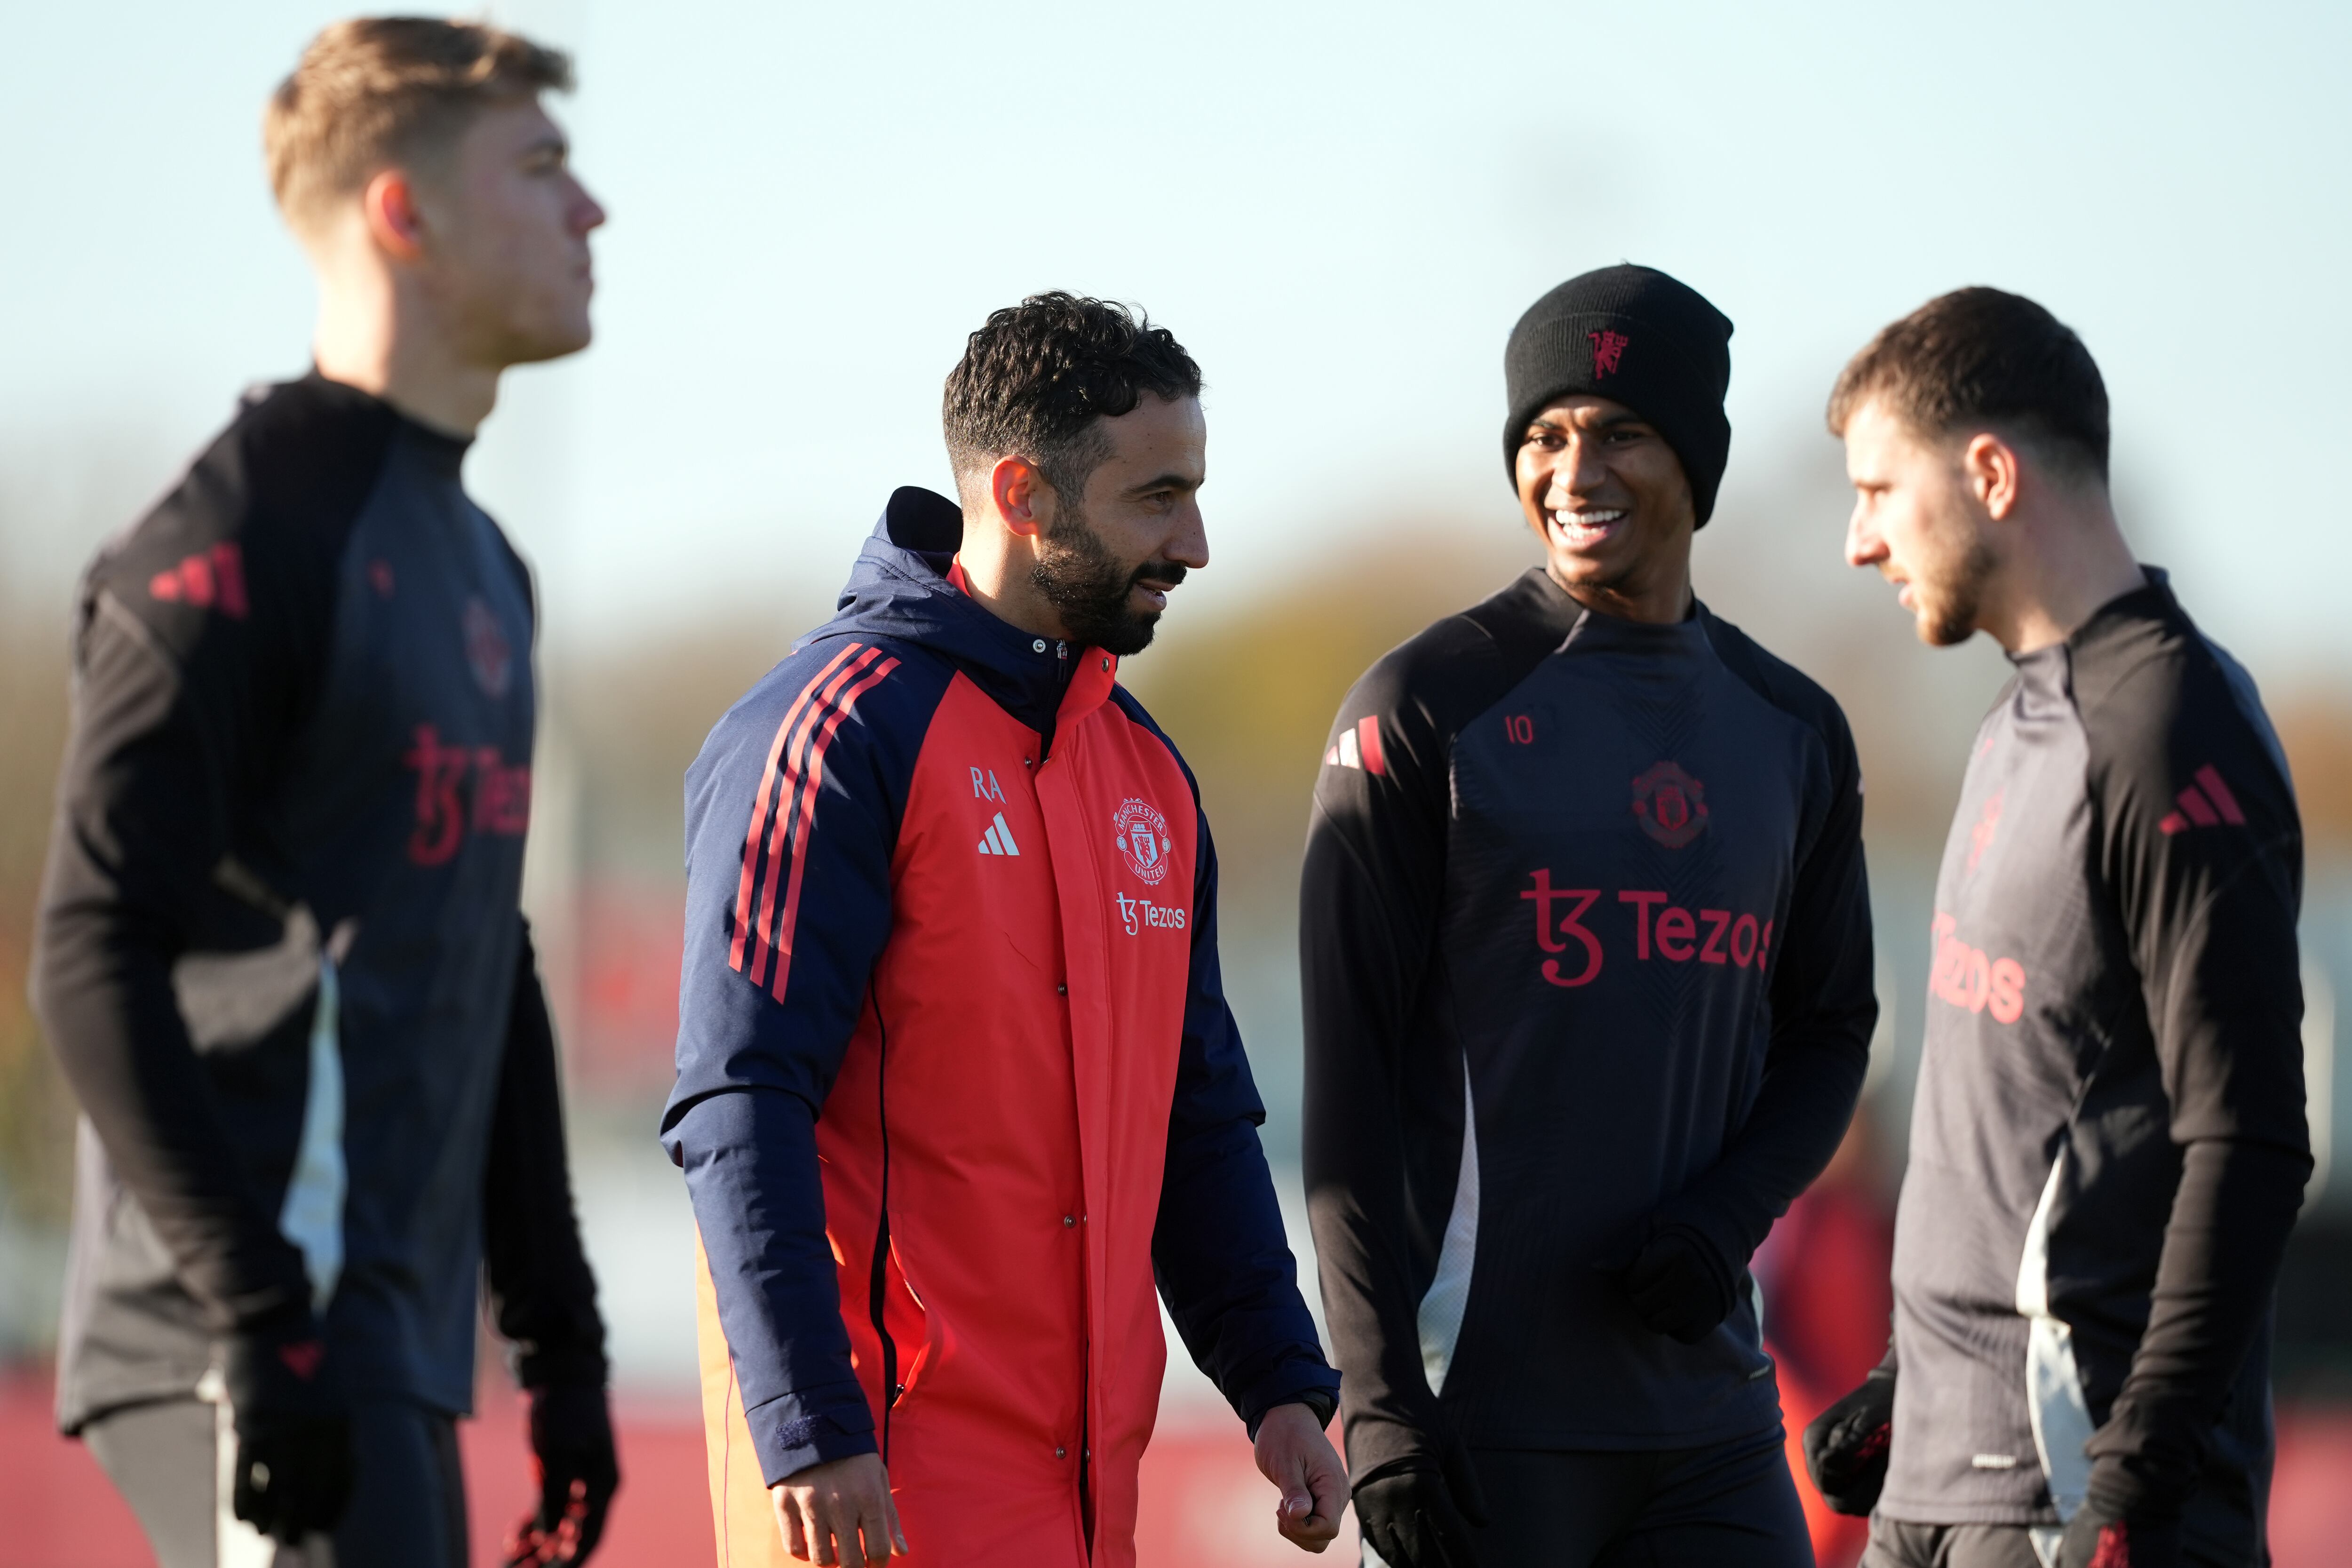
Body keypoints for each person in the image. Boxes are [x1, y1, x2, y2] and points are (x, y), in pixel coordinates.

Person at [32, 19, 619, 1567]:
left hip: (388, 1355)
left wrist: (557, 1342)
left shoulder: (487, 563)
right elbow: (91, 959)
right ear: (402, 212)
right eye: (544, 167)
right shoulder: (230, 544)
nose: (593, 213)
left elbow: (484, 956)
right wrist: (254, 1314)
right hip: (258, 1347)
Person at [663, 292, 1346, 1568]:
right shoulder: (834, 733)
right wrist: (810, 1427)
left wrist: (1280, 1386)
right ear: (1025, 495)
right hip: (873, 1497)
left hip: (1086, 1518)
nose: (1196, 542)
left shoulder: (1147, 774)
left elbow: (1195, 1123)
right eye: (1159, 497)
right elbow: (738, 1101)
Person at [1302, 263, 1879, 1568]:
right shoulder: (1422, 709)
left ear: (1697, 460)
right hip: (1485, 1430)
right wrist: (1382, 1408)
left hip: (1718, 1428)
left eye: (1619, 430)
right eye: (1545, 437)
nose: (1575, 470)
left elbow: (1832, 1030)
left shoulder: (1794, 731)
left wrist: (1724, 1217)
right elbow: (1348, 1096)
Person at [1805, 287, 2311, 1568]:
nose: (1860, 542)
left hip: (2072, 1493)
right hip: (1936, 1481)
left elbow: (2246, 1139)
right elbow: (2027, 1114)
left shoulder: (2171, 726)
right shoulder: (2020, 719)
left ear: (1988, 473)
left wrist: (2134, 1482)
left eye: (1877, 491)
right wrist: (1909, 1373)